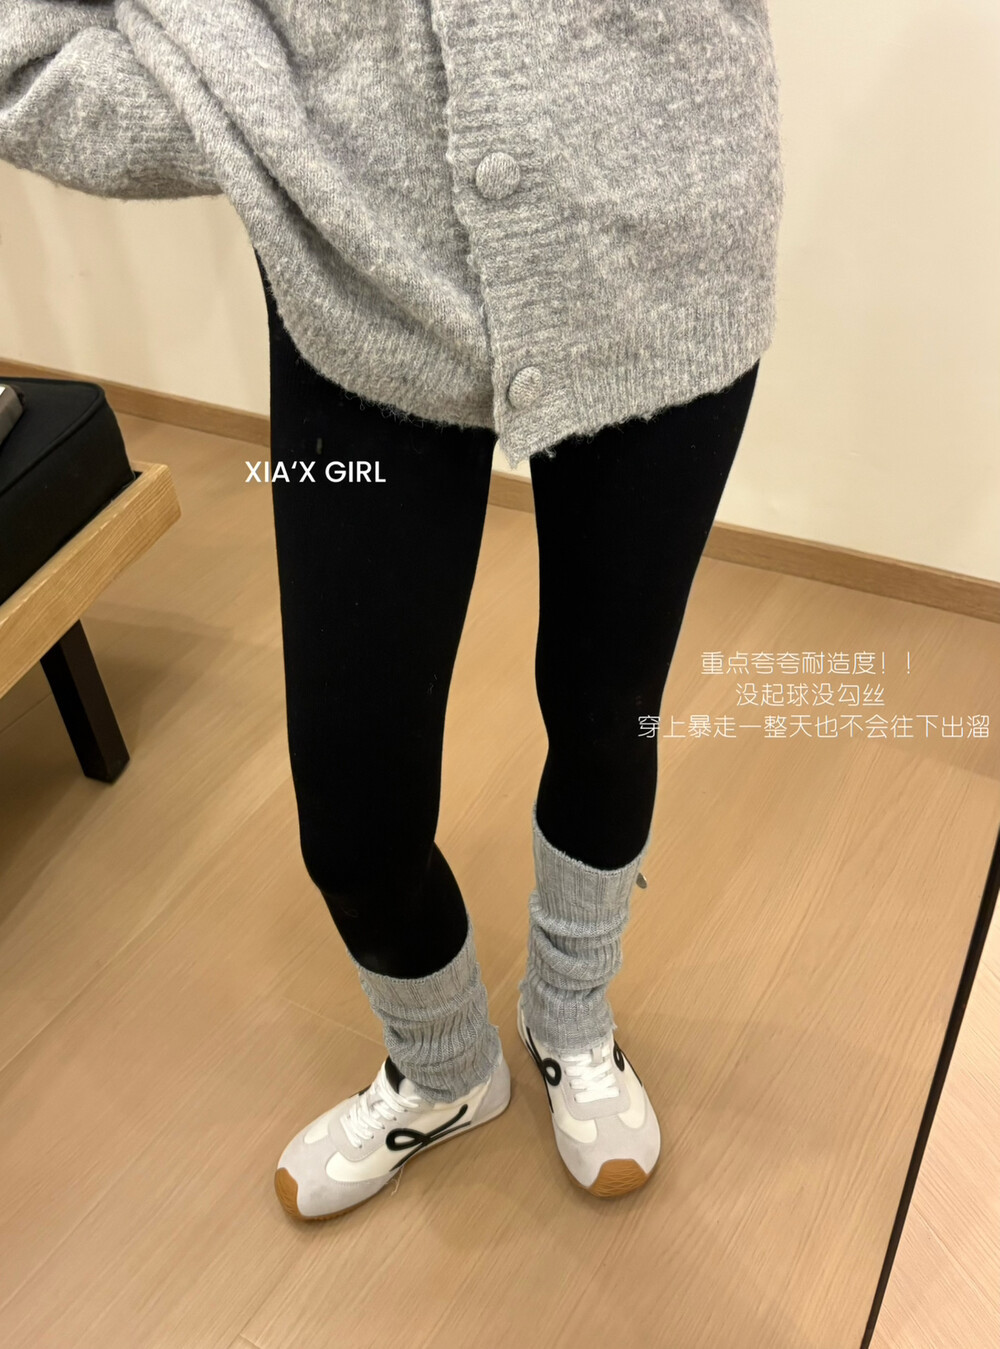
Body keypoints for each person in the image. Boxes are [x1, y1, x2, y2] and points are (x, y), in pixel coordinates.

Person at [1, 2, 783, 1221]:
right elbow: (23, 54)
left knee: (611, 709)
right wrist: (269, 116)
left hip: (663, 252)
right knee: (353, 807)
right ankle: (443, 1066)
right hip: (352, 290)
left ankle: (572, 1016)